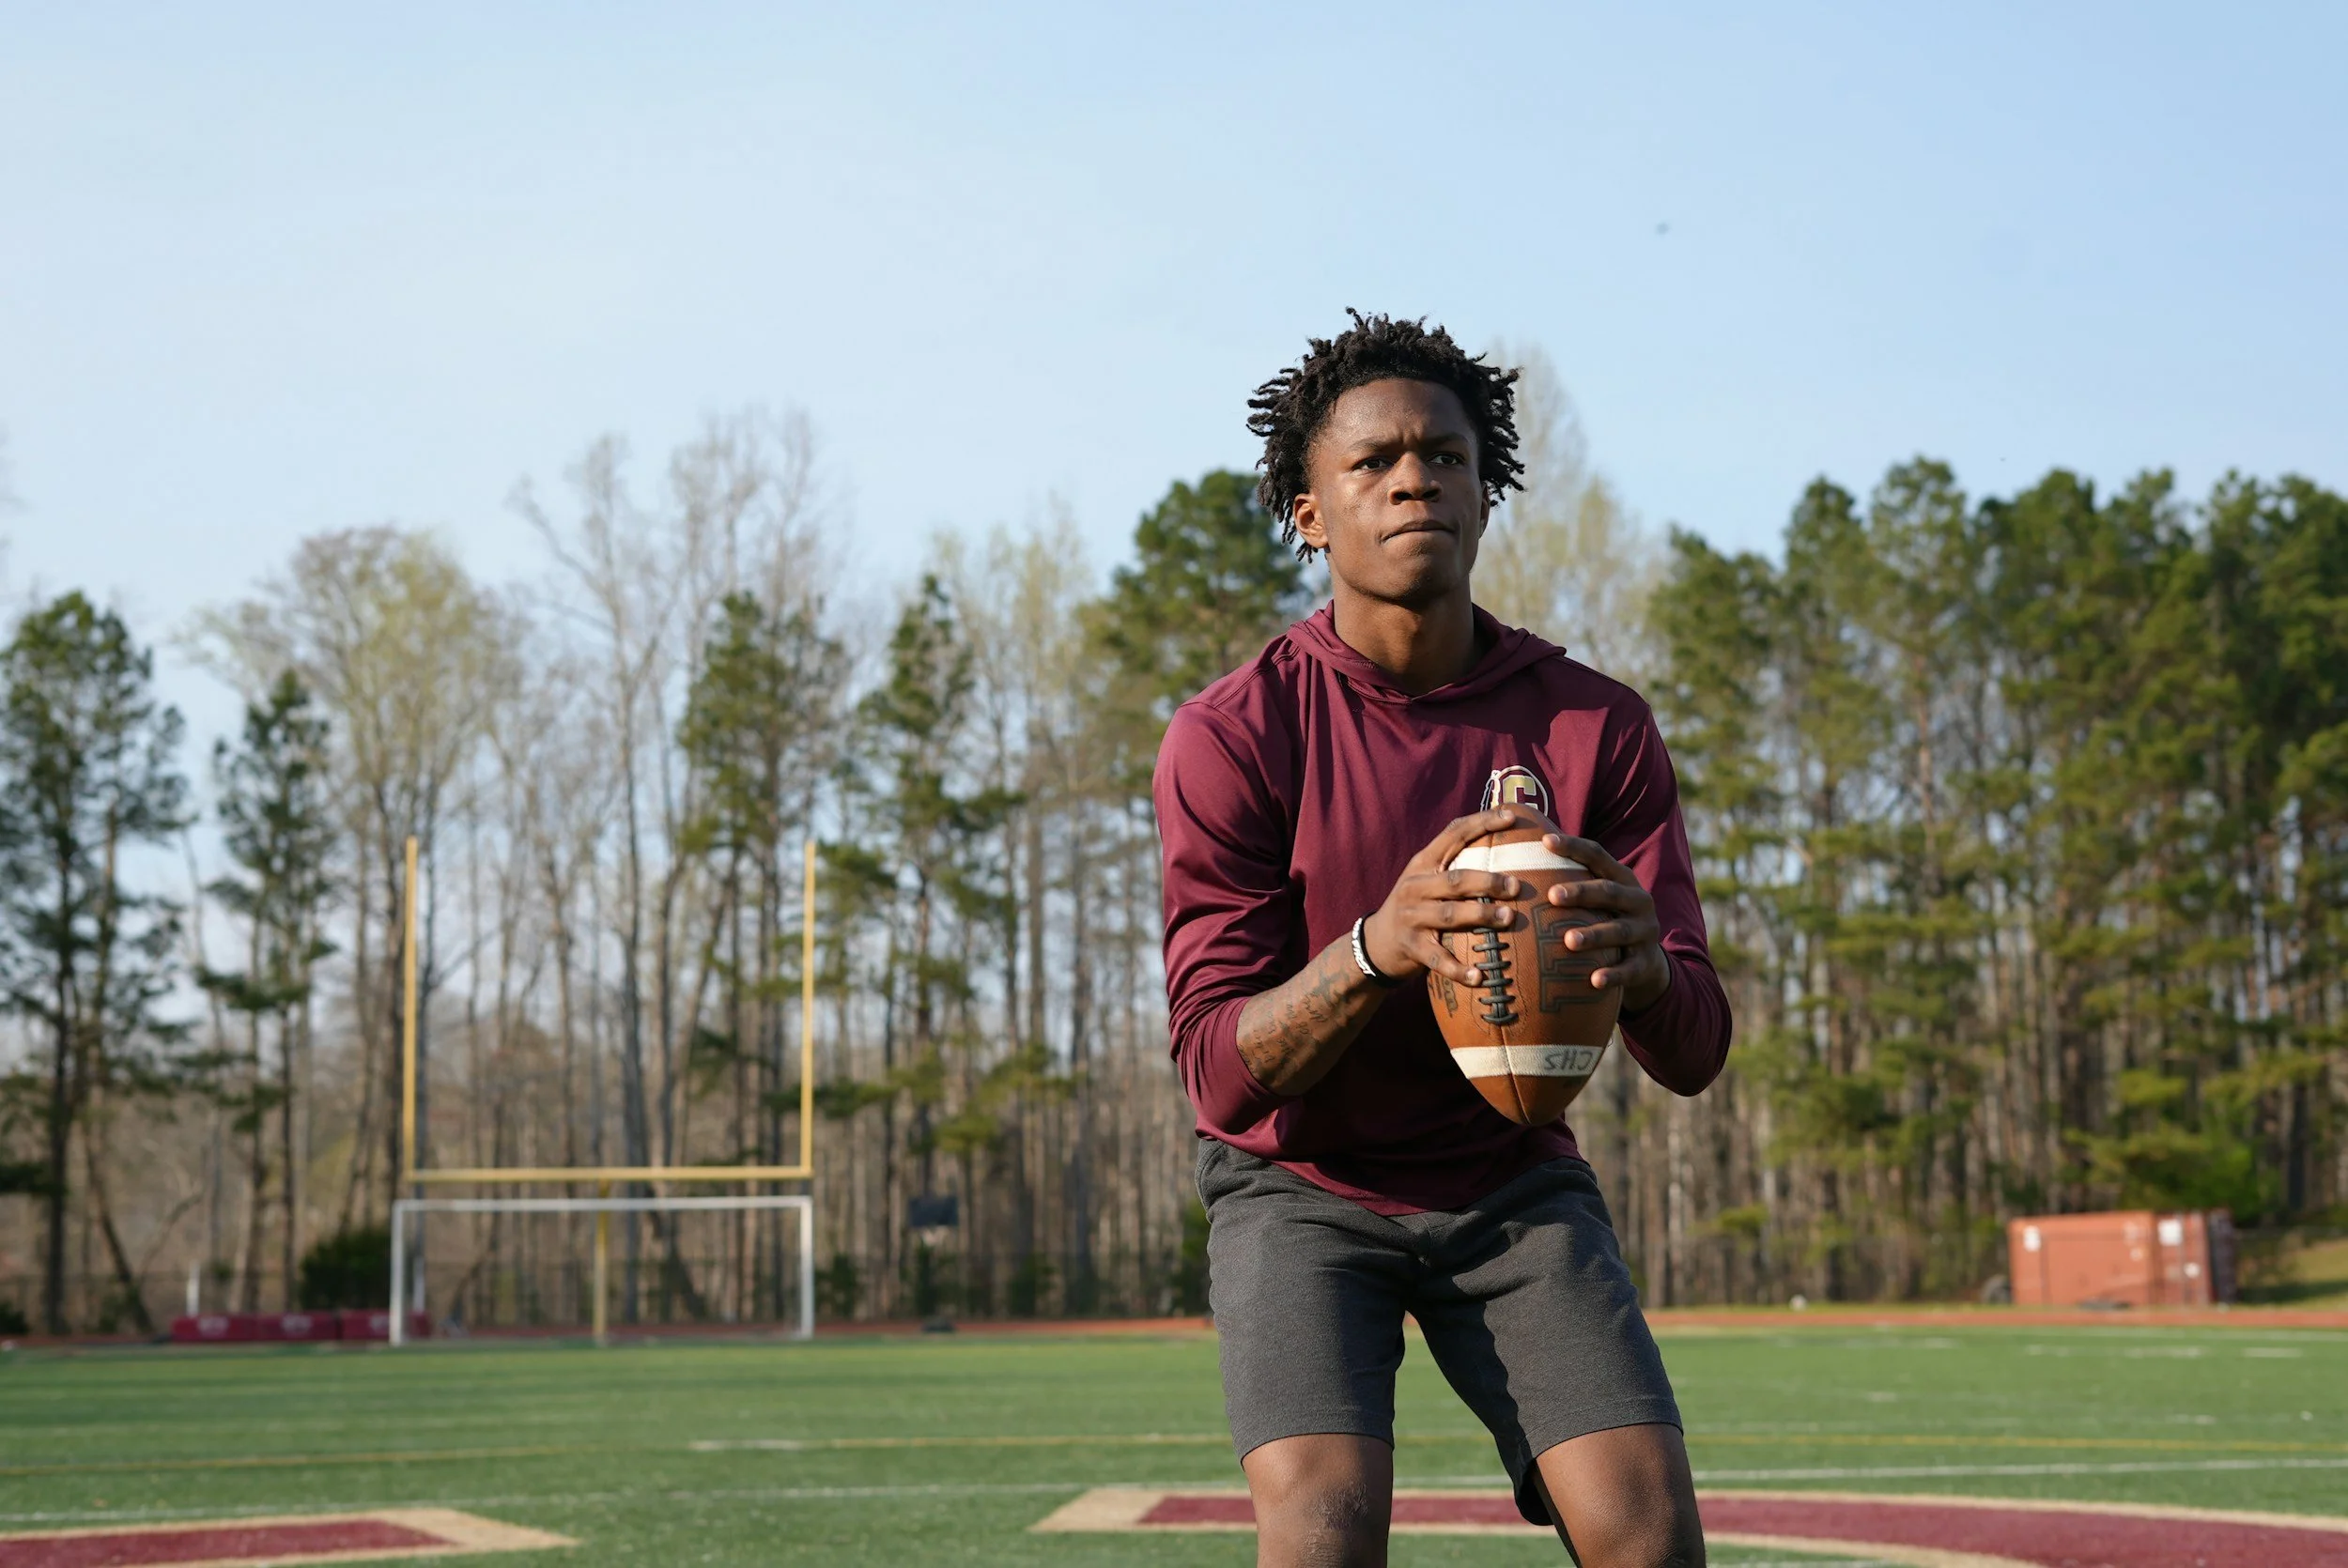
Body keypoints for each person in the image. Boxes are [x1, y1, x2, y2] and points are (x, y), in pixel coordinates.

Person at [1154, 312, 1731, 1567]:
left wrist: (1644, 971)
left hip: (1510, 1177)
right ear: (1309, 512)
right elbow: (1216, 1067)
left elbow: (1695, 1051)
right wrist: (1378, 946)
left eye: (1446, 456)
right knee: (1322, 1530)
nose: (1415, 477)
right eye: (1373, 462)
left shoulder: (1592, 725)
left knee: (1649, 1535)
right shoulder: (1237, 732)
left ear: (1488, 489)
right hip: (1300, 1186)